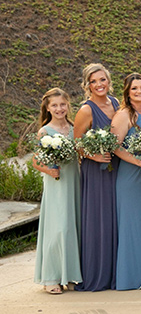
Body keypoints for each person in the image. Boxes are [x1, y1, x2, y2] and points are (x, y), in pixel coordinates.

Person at [111, 73, 141, 290]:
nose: (139, 91)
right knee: (133, 225)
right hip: (132, 177)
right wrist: (134, 160)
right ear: (127, 93)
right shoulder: (124, 115)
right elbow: (114, 145)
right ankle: (131, 278)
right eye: (134, 89)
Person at [74, 63, 119, 291]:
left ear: (108, 81)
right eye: (94, 81)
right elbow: (77, 142)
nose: (99, 85)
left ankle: (116, 273)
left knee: (115, 219)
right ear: (87, 85)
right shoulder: (86, 110)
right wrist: (93, 156)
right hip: (97, 172)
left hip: (118, 168)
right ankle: (97, 274)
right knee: (99, 221)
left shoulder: (117, 103)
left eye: (102, 80)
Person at [32, 88, 82, 294]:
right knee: (58, 227)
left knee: (73, 226)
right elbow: (36, 162)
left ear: (68, 105)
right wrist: (49, 171)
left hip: (74, 180)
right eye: (55, 105)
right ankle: (51, 277)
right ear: (47, 107)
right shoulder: (45, 131)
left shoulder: (73, 127)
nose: (59, 108)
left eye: (62, 104)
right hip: (56, 182)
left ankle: (70, 274)